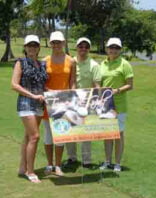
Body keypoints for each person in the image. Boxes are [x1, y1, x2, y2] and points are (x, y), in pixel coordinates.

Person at [11, 35, 47, 183]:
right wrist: (33, 95)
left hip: (39, 104)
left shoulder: (42, 64)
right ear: (25, 48)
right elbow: (14, 85)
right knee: (35, 137)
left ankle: (22, 167)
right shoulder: (20, 62)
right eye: (29, 45)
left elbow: (42, 86)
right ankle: (30, 171)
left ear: (38, 48)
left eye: (35, 45)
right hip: (26, 103)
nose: (32, 48)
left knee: (28, 137)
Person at [43, 31, 76, 176]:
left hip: (64, 102)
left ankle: (58, 166)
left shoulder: (71, 61)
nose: (56, 45)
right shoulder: (44, 61)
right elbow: (41, 82)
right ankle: (49, 164)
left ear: (64, 43)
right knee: (49, 135)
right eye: (54, 42)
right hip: (48, 102)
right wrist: (50, 92)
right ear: (50, 43)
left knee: (61, 134)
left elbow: (72, 82)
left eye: (59, 42)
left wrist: (71, 95)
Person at [65, 37, 101, 168]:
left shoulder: (94, 65)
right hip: (70, 100)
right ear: (77, 47)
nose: (83, 49)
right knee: (71, 131)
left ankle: (86, 160)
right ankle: (71, 158)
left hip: (87, 102)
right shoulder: (70, 62)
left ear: (89, 49)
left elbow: (97, 85)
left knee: (86, 132)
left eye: (86, 47)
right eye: (81, 46)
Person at [99, 37, 134, 172]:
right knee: (107, 134)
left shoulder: (125, 64)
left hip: (119, 105)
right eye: (111, 47)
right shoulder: (102, 64)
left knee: (118, 134)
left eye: (116, 48)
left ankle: (117, 163)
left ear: (120, 50)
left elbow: (130, 85)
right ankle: (107, 161)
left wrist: (117, 90)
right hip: (106, 105)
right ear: (107, 49)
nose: (113, 50)